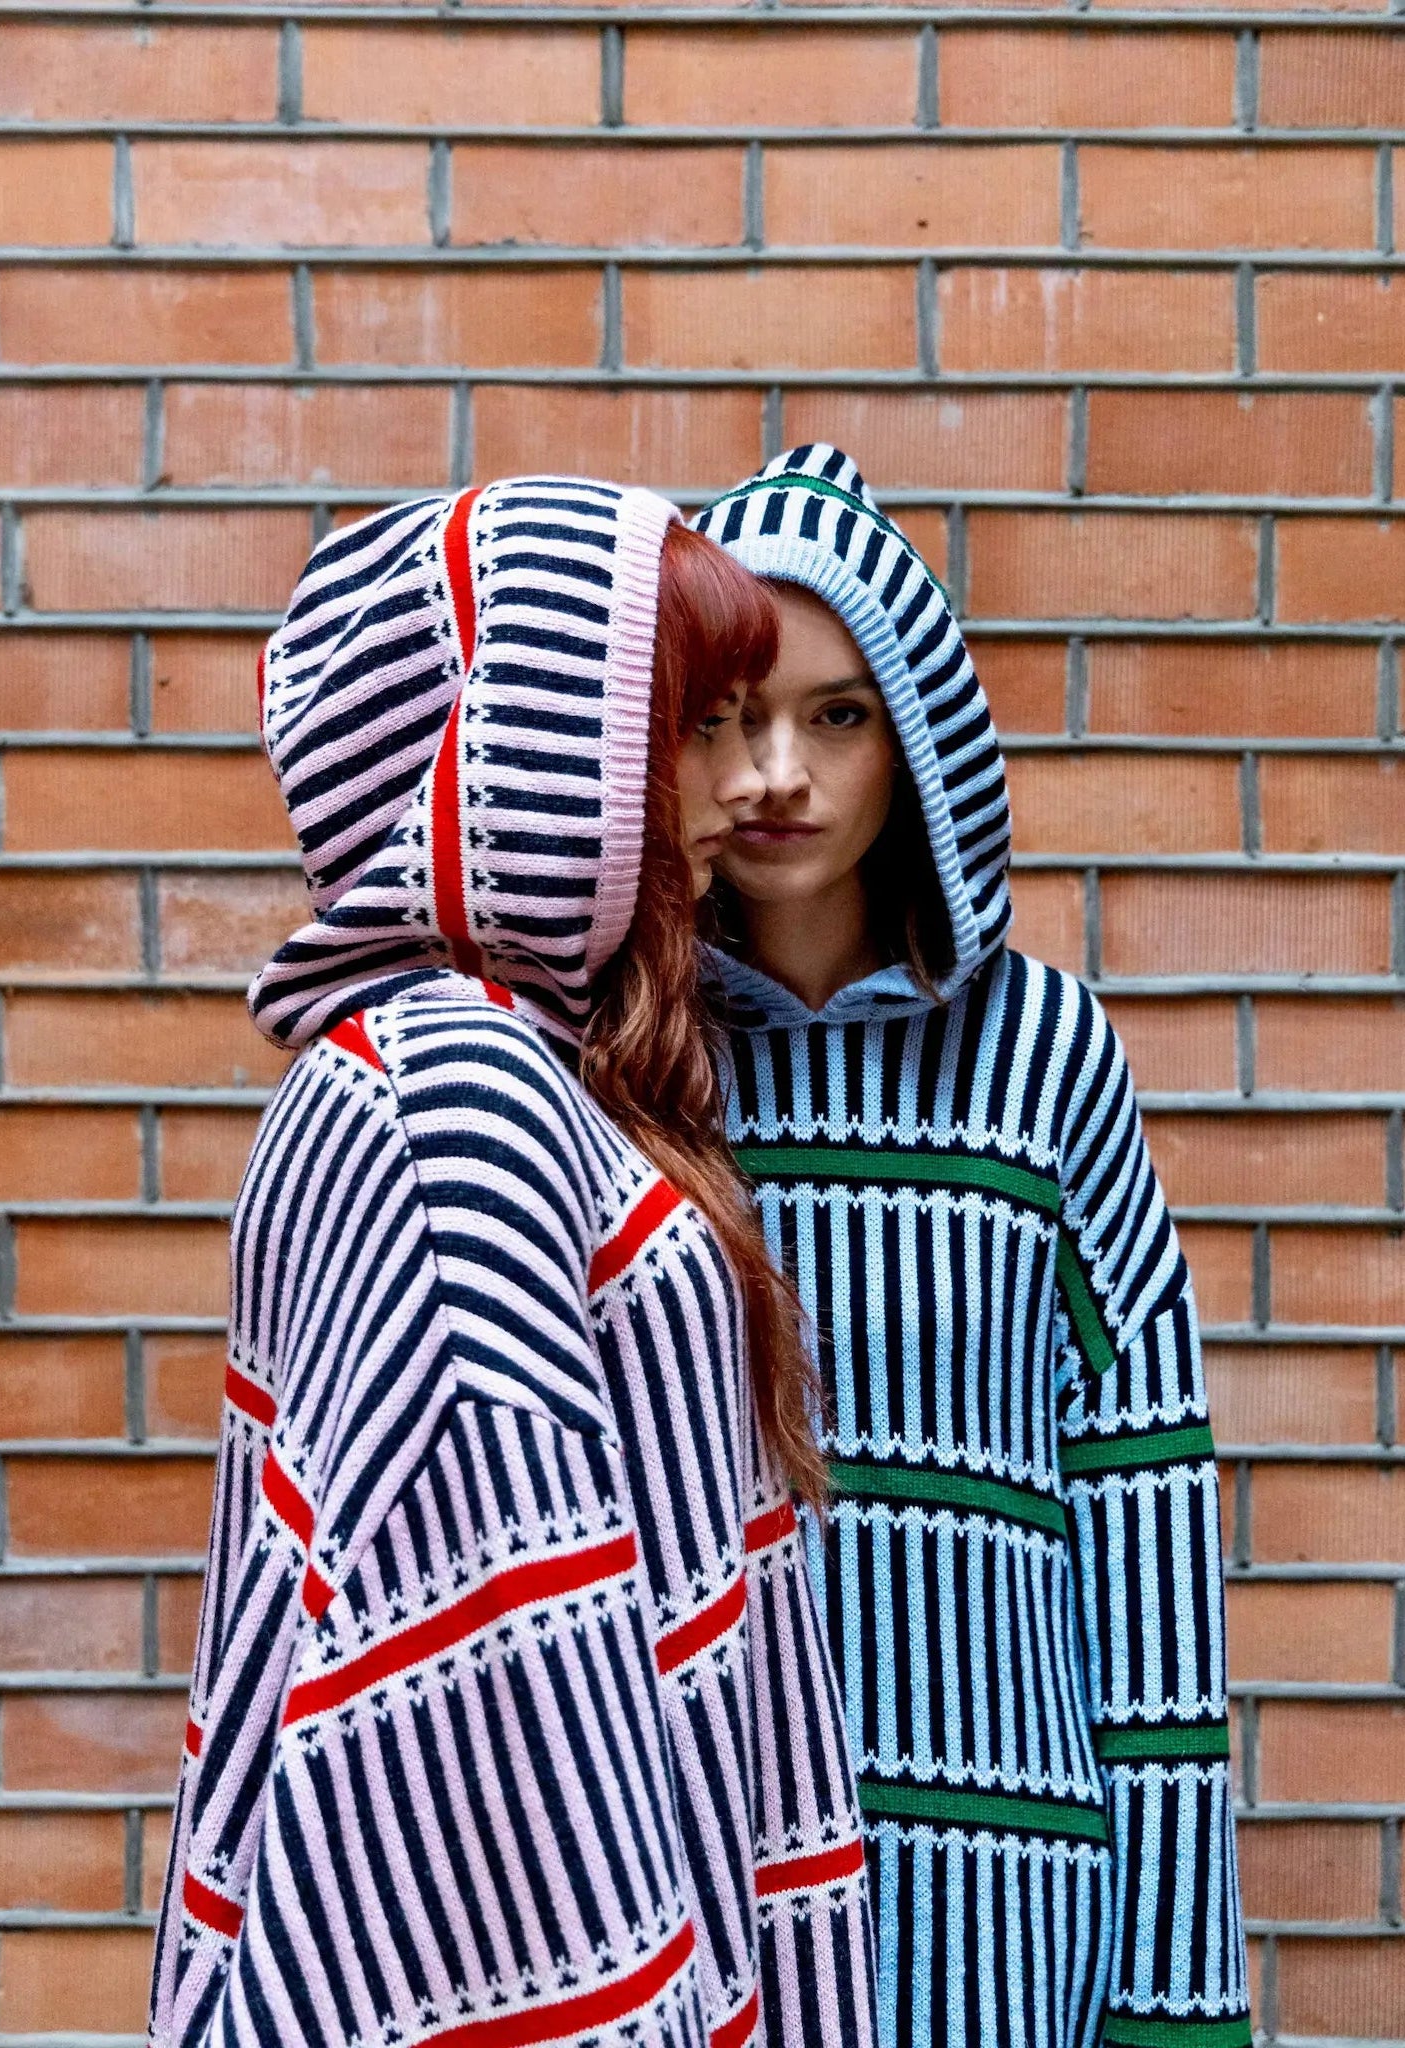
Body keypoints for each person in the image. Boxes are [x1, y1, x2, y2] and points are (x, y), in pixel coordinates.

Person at [149, 480, 878, 2048]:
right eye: (688, 723)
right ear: (531, 763)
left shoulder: (518, 1070)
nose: (744, 783)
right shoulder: (448, 1106)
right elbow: (493, 1755)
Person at [694, 447, 1249, 2048]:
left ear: (919, 737)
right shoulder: (625, 1064)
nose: (777, 770)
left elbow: (1144, 1522)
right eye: (730, 715)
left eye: (837, 714)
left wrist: (1178, 1997)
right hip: (706, 1879)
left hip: (1009, 1907)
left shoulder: (1047, 1055)